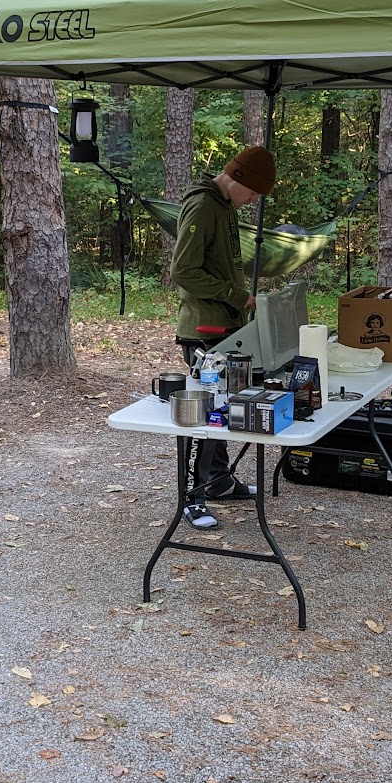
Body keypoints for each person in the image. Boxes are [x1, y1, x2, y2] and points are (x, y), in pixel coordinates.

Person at [169, 144, 276, 529]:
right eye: (252, 193)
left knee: (227, 409)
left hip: (227, 325)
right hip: (204, 330)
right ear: (238, 178)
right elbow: (183, 271)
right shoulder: (202, 205)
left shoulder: (225, 205)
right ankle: (191, 498)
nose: (252, 201)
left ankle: (217, 481)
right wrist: (234, 294)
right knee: (205, 415)